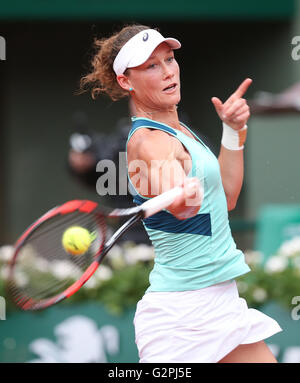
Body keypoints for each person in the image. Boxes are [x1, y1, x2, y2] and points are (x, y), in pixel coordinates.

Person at [79, 24, 282, 363]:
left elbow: (228, 197)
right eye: (151, 66)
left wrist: (233, 132)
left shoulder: (182, 130)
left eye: (169, 60)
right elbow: (185, 205)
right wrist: (182, 196)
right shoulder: (148, 140)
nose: (168, 72)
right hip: (180, 318)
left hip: (223, 303)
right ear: (126, 81)